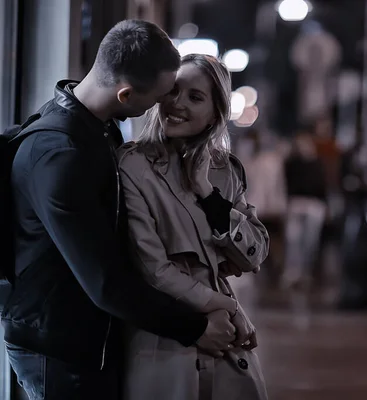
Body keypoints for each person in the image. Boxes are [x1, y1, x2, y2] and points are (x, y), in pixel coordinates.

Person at [4, 20, 235, 400]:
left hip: (80, 332)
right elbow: (104, 282)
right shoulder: (62, 154)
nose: (165, 104)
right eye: (162, 95)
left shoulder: (96, 127)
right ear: (126, 94)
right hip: (57, 344)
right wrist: (194, 328)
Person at [117, 53, 269, 399]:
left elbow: (255, 253)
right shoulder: (133, 165)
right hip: (166, 338)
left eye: (195, 97)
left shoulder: (224, 170)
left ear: (216, 113)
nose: (177, 104)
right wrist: (228, 307)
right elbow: (153, 267)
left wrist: (207, 192)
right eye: (173, 91)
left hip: (228, 343)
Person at [282, 130, 328, 290]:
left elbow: (322, 186)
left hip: (313, 204)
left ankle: (305, 272)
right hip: (296, 203)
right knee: (293, 239)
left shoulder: (317, 163)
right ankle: (292, 272)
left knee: (310, 240)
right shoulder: (292, 162)